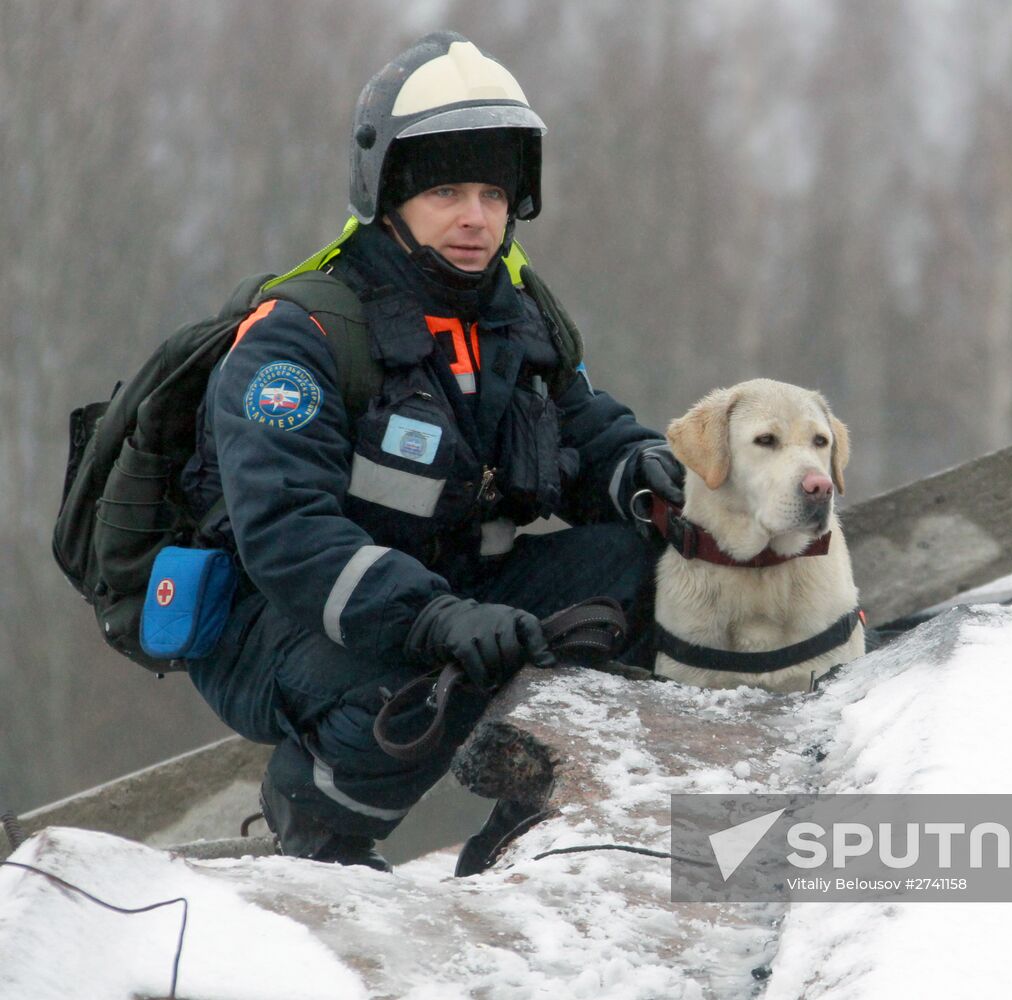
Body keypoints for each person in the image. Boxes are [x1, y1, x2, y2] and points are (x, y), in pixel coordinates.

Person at [180, 32, 685, 872]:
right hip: (277, 621)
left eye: (493, 192)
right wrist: (432, 617)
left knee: (648, 568)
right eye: (447, 189)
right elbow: (287, 535)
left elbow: (586, 430)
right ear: (387, 194)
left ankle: (540, 828)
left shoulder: (519, 319)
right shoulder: (299, 338)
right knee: (423, 658)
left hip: (456, 589)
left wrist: (649, 476)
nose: (474, 217)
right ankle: (321, 832)